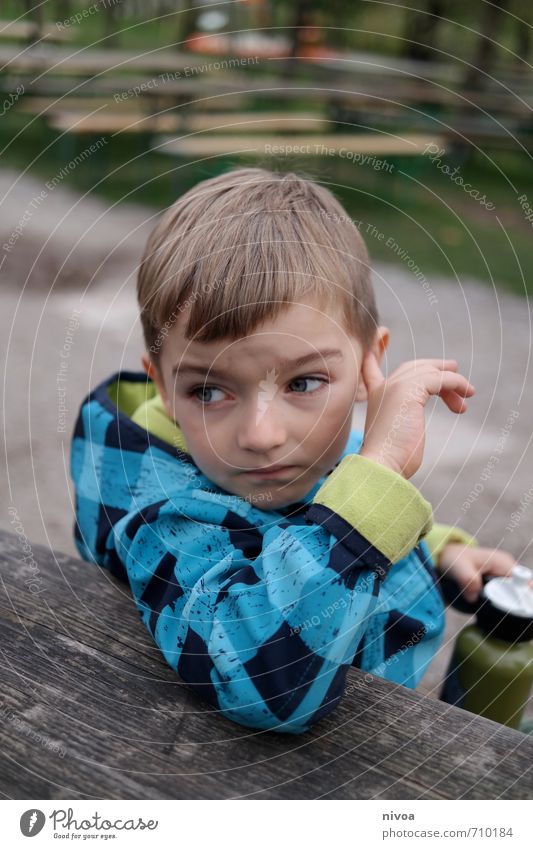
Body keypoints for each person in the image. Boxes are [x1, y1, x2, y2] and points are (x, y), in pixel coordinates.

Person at [70, 167, 519, 734]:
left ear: (367, 365)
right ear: (162, 386)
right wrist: (378, 472)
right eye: (208, 391)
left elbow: (333, 496)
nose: (262, 434)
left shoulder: (314, 452)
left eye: (303, 383)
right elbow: (271, 683)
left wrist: (436, 548)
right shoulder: (161, 516)